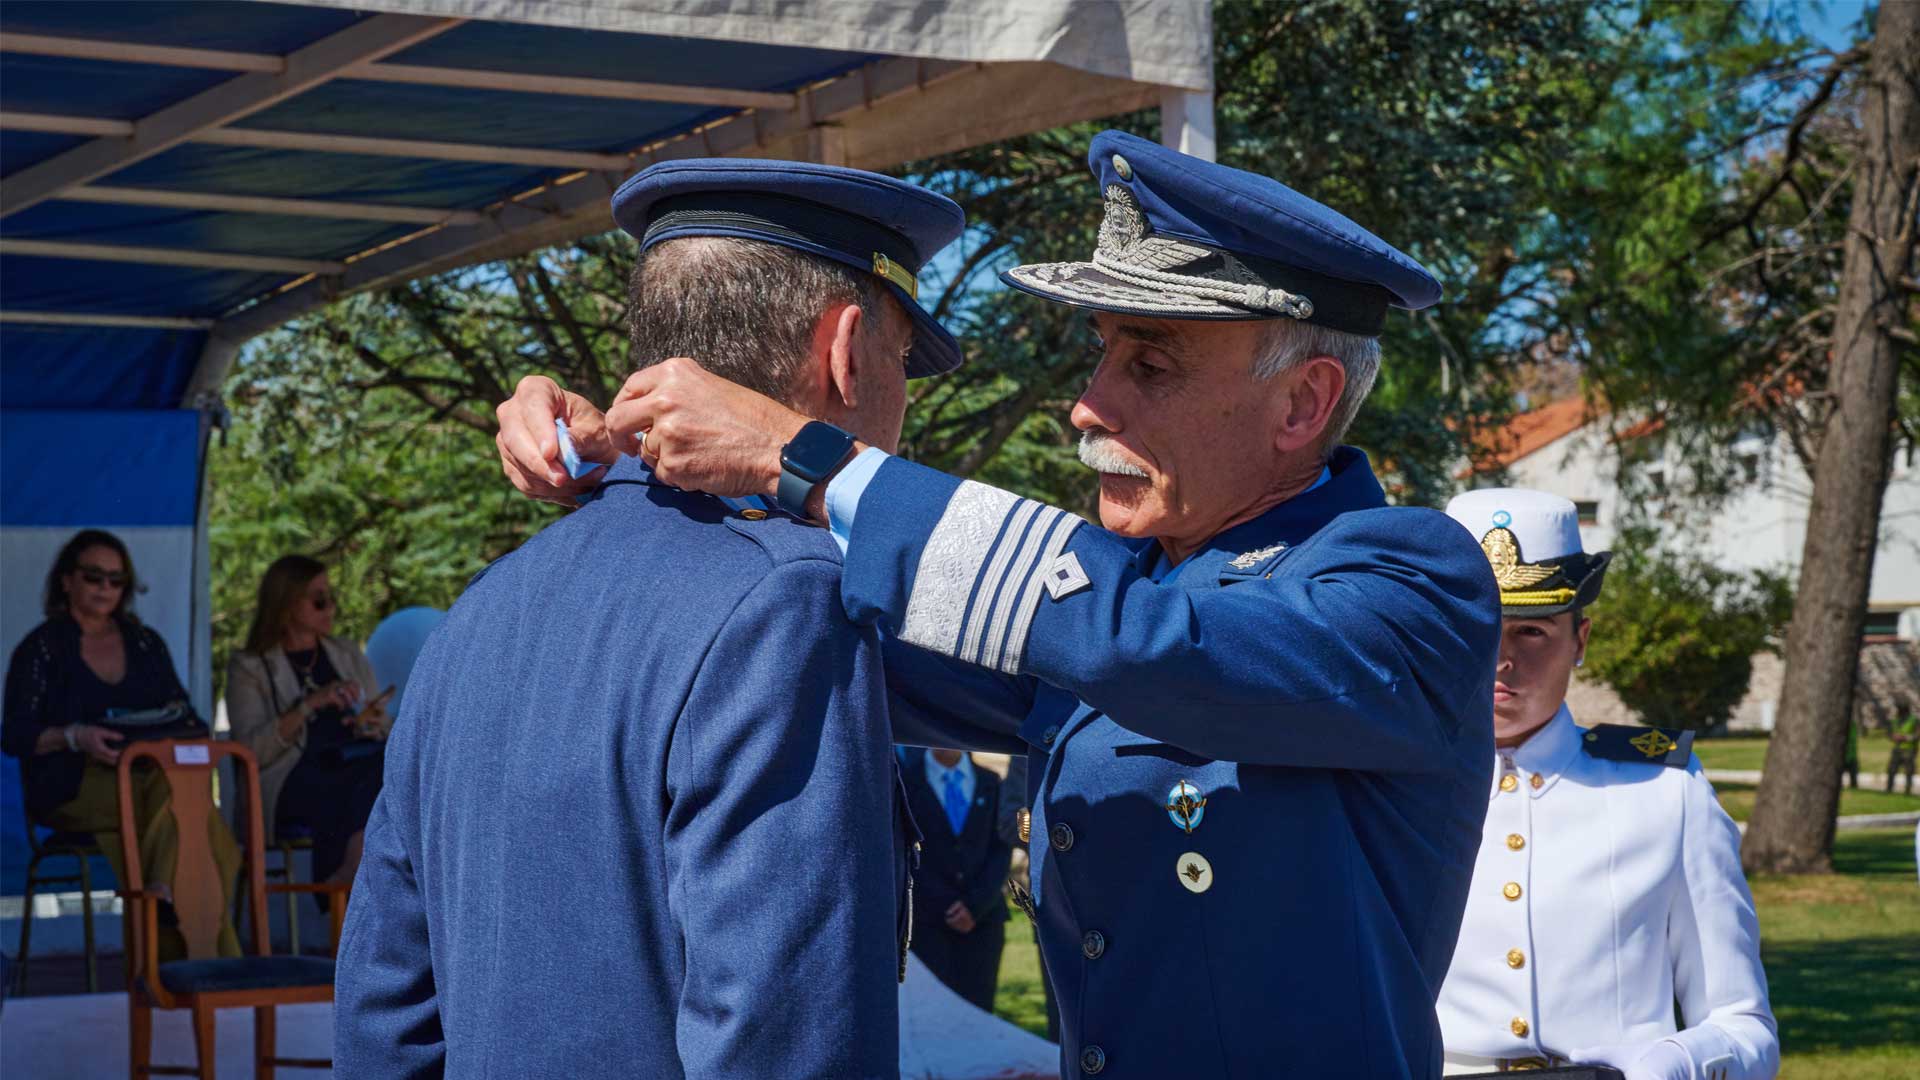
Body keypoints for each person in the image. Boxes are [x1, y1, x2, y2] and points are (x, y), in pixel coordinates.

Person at [496, 130, 1501, 1078]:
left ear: (1303, 404)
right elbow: (796, 626)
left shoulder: (1410, 582)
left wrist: (803, 458)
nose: (1088, 403)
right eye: (1102, 354)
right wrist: (629, 464)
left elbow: (1148, 645)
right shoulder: (1126, 591)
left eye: (1149, 363)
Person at [335, 158, 968, 1079]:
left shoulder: (483, 607)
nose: (903, 396)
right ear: (845, 351)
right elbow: (781, 1043)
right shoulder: (785, 599)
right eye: (902, 359)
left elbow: (384, 1019)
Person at [1435, 489, 1778, 1079]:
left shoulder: (1665, 795)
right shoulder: (1394, 792)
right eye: (1481, 629)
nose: (1500, 660)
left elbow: (1743, 1024)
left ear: (1581, 642)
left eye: (1532, 632)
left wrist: (1678, 1061)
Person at [2, 530, 242, 958]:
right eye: (95, 577)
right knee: (194, 816)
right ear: (67, 580)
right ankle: (205, 957)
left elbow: (184, 714)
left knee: (184, 807)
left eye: (117, 580)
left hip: (148, 773)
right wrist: (75, 737)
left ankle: (161, 897)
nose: (105, 589)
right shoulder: (41, 649)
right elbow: (16, 735)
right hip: (73, 784)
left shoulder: (144, 643)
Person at [225, 556, 391, 894]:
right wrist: (310, 705)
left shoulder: (346, 653)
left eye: (332, 598)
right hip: (292, 778)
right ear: (286, 603)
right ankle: (351, 880)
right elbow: (250, 752)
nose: (330, 607)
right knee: (370, 781)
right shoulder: (250, 667)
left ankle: (348, 876)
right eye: (319, 600)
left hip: (353, 763)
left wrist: (369, 722)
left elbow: (381, 723)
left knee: (389, 769)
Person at [898, 747, 1012, 1012]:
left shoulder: (990, 782)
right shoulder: (905, 783)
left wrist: (974, 905)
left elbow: (1000, 851)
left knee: (979, 1012)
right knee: (930, 1014)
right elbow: (904, 850)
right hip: (926, 925)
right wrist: (944, 904)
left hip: (983, 923)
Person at [1888, 706, 1917, 794]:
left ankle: (1908, 791)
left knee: (1909, 771)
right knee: (1891, 770)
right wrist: (1892, 737)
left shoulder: (1914, 720)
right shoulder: (1896, 720)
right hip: (1897, 749)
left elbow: (1917, 735)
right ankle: (1889, 789)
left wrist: (1905, 737)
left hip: (1909, 749)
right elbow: (1889, 733)